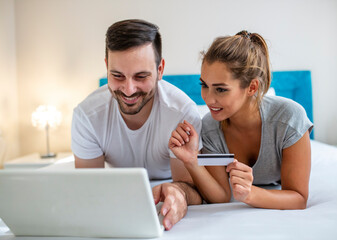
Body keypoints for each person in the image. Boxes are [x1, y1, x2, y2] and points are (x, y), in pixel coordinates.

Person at [71, 19, 203, 230]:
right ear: (106, 66)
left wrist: (179, 194)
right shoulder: (87, 116)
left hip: (166, 194)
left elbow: (190, 187)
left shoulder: (182, 114)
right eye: (117, 76)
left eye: (141, 76)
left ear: (160, 69)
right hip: (117, 198)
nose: (129, 89)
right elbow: (89, 189)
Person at [169, 30, 313, 209]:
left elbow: (298, 198)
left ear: (252, 87)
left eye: (221, 89)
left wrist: (250, 194)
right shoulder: (209, 127)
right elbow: (220, 197)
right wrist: (191, 161)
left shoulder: (289, 118)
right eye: (204, 85)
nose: (208, 98)